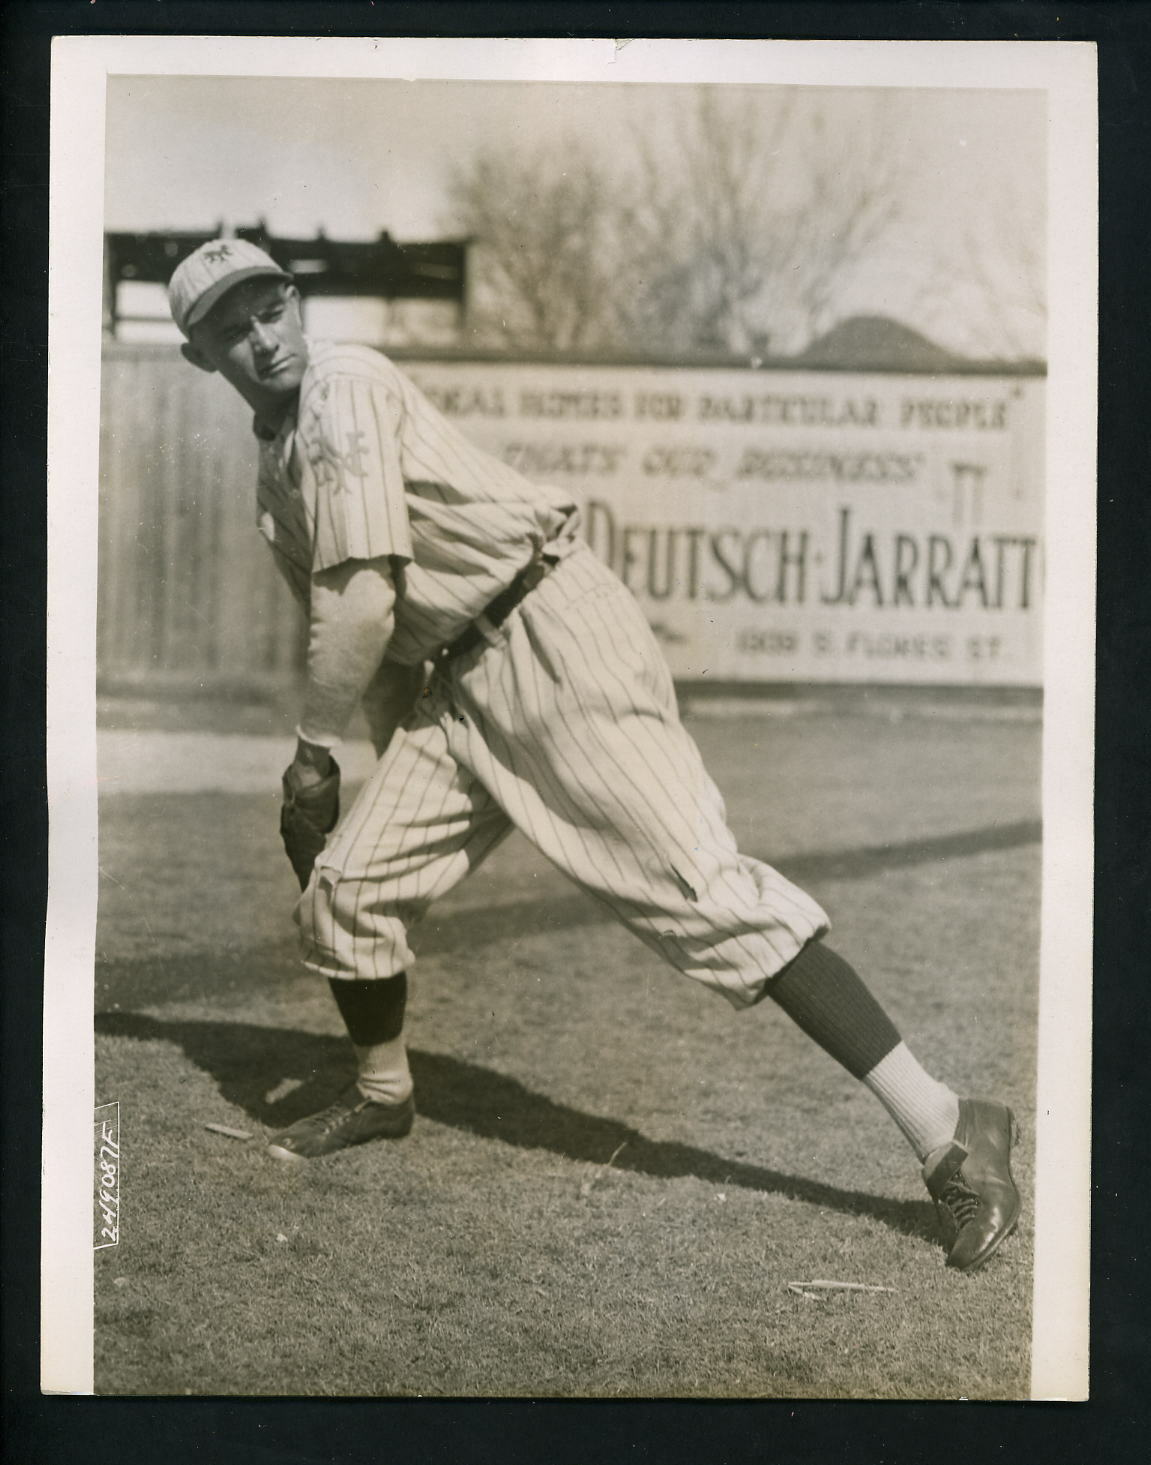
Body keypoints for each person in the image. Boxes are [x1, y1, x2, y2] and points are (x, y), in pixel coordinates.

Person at [167, 238, 1020, 1273]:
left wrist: (311, 753)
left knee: (706, 895)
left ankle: (948, 1127)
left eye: (269, 308)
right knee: (349, 889)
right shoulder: (276, 469)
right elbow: (382, 637)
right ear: (197, 354)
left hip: (549, 630)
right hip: (455, 680)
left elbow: (363, 601)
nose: (261, 337)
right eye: (229, 326)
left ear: (295, 304)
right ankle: (383, 1092)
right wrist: (382, 774)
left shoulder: (343, 385)